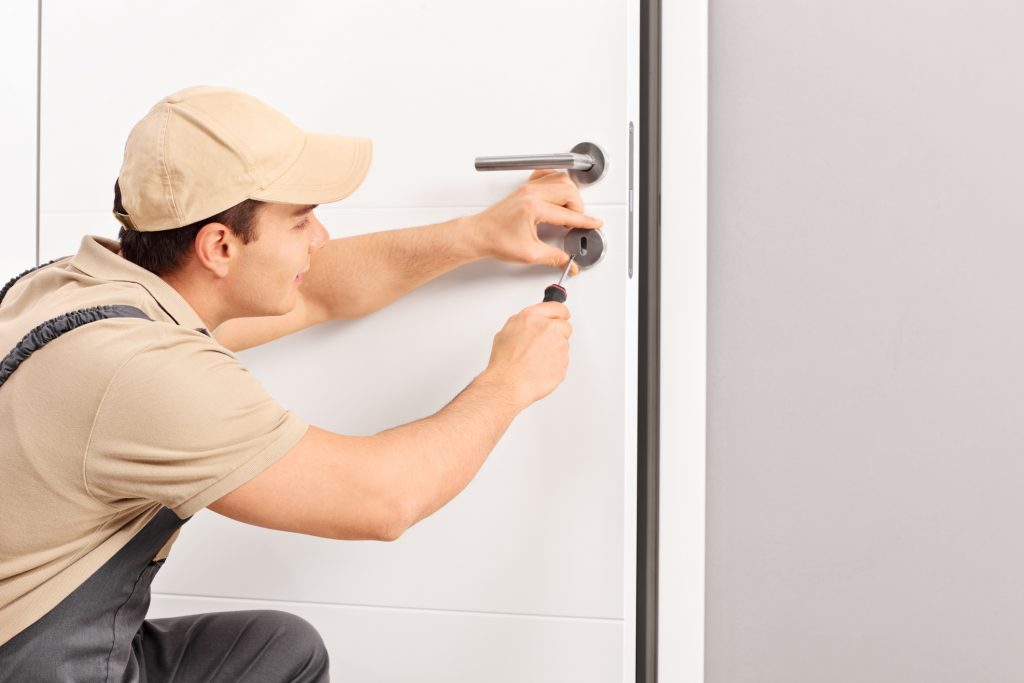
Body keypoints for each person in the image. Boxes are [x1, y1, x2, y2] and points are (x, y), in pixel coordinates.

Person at [0, 85, 602, 681]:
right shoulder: (141, 372)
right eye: (301, 219)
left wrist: (477, 234)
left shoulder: (73, 289)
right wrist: (509, 381)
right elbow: (381, 501)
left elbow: (314, 289)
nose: (320, 238)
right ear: (220, 245)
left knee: (274, 649)